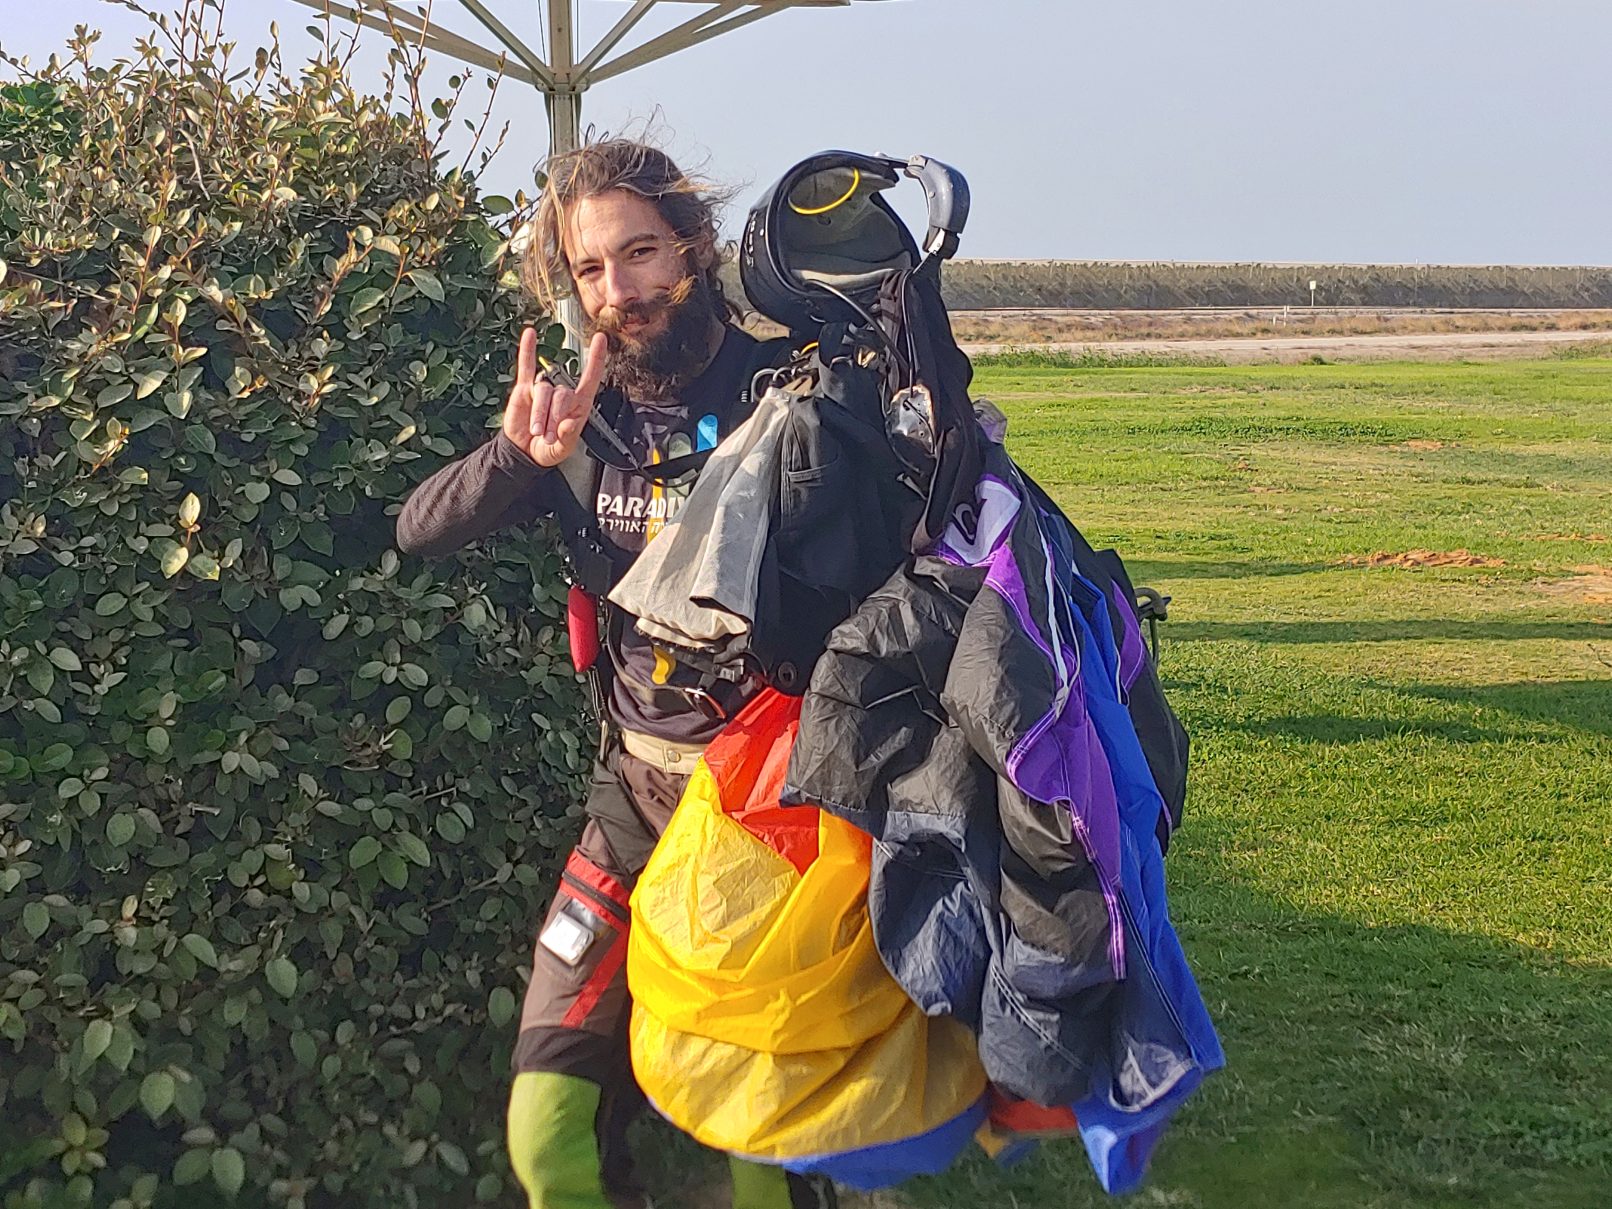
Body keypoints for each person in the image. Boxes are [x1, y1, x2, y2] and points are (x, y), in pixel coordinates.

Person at [395, 140, 832, 1209]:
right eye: (591, 270)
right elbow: (416, 531)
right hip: (631, 807)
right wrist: (516, 458)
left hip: (767, 824)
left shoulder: (792, 391)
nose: (619, 291)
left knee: (760, 1151)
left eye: (640, 254)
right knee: (546, 1139)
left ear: (696, 246)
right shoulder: (574, 421)